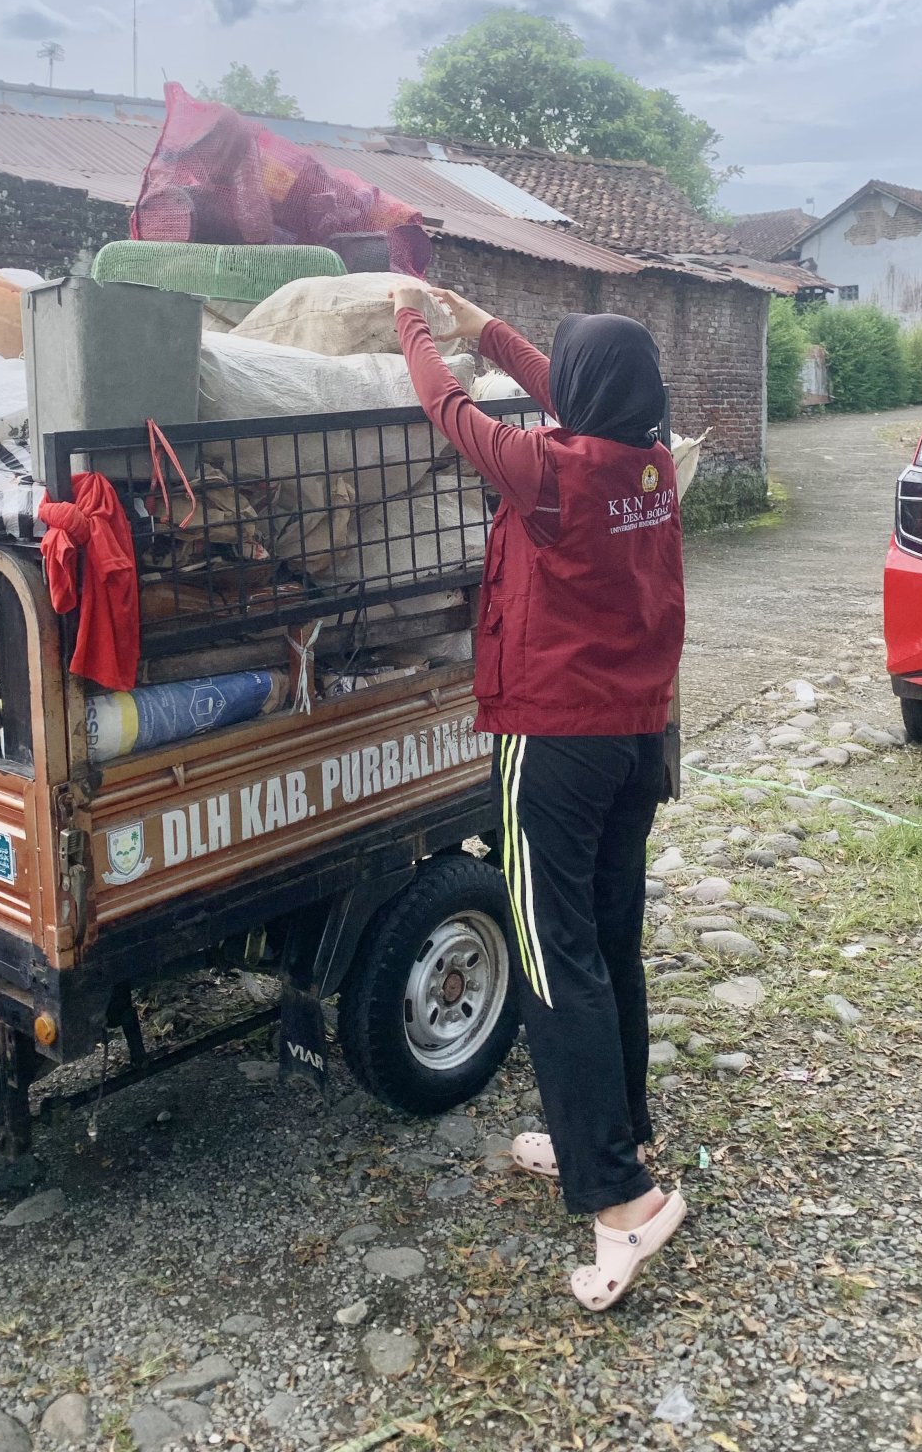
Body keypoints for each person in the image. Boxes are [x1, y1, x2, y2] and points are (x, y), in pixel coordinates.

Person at [390, 279, 687, 1312]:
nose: (558, 389)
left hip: (554, 743)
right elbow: (564, 384)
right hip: (637, 739)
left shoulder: (551, 474)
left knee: (555, 959)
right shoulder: (650, 462)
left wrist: (418, 331)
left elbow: (450, 412)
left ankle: (620, 1202)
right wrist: (487, 327)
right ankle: (611, 1131)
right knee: (607, 940)